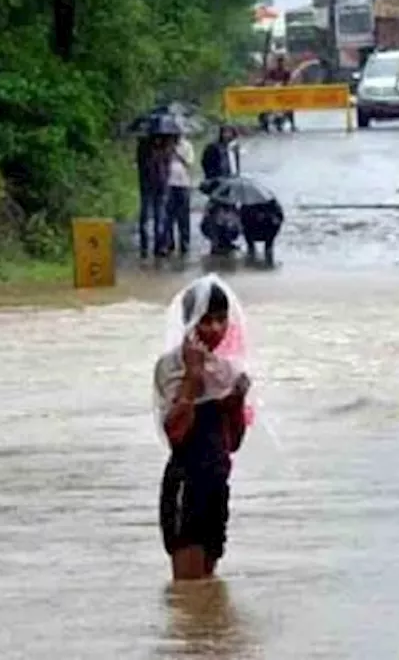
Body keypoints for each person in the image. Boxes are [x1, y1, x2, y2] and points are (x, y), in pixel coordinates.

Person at [153, 276, 252, 581]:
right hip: (187, 483)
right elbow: (176, 434)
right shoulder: (171, 367)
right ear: (189, 322)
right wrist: (193, 378)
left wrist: (235, 401)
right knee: (188, 588)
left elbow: (232, 442)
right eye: (205, 321)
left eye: (221, 320)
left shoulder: (227, 371)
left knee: (206, 588)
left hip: (216, 483)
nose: (215, 330)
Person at [137, 135, 171, 258]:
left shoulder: (166, 147)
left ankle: (159, 246)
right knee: (145, 217)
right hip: (147, 186)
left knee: (160, 217)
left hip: (161, 186)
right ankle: (144, 247)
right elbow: (143, 165)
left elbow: (167, 167)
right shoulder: (144, 147)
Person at [162, 130, 196, 256]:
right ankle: (169, 243)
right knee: (168, 216)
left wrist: (177, 153)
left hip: (183, 183)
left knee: (184, 216)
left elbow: (189, 163)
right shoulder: (166, 145)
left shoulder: (187, 146)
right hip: (169, 183)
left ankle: (185, 243)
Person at [240, 199, 284, 264]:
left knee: (268, 246)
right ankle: (251, 251)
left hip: (267, 230)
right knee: (251, 248)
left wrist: (268, 216)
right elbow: (242, 218)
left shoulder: (272, 203)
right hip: (252, 229)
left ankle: (268, 251)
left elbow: (280, 217)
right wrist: (254, 215)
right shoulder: (247, 204)